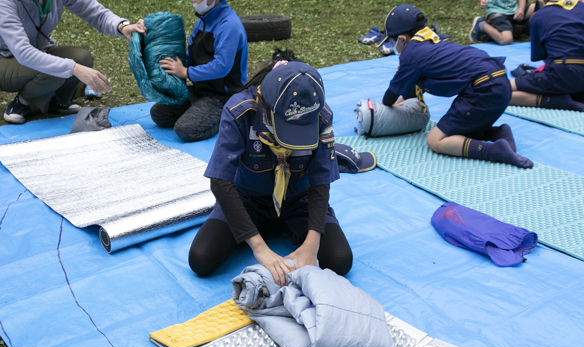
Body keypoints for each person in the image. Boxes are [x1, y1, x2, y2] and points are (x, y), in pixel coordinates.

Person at [188, 51, 353, 285]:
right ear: (263, 101)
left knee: (340, 260)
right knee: (201, 259)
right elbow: (221, 181)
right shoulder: (240, 111)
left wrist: (312, 243)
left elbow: (320, 179)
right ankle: (258, 231)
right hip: (248, 200)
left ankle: (287, 232)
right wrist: (259, 247)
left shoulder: (320, 115)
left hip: (298, 200)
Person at [381, 4, 533, 169]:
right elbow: (413, 90)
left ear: (402, 39)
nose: (392, 46)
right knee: (458, 132)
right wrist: (404, 99)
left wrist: (385, 109)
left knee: (435, 140)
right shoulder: (430, 41)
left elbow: (390, 97)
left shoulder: (411, 54)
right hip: (499, 83)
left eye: (392, 41)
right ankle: (496, 133)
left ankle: (494, 150)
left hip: (484, 89)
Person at [0, 0, 146, 124]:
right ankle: (23, 103)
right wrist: (73, 68)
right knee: (55, 69)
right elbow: (23, 52)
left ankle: (53, 99)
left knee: (82, 58)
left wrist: (122, 26)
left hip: (37, 52)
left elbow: (95, 12)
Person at [149, 0, 248, 142]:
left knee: (185, 130)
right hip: (199, 91)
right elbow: (190, 55)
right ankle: (200, 111)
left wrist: (185, 72)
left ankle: (228, 117)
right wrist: (169, 64)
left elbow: (221, 67)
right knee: (159, 115)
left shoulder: (229, 26)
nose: (193, 0)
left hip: (222, 96)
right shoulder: (203, 21)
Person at [509, 0, 584, 111]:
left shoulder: (537, 17)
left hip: (562, 72)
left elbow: (539, 56)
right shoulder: (581, 7)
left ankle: (556, 101)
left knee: (503, 88)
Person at [469, 0, 537, 45]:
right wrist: (482, 1)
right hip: (498, 12)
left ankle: (523, 30)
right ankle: (481, 24)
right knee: (506, 40)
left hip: (515, 8)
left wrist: (521, 9)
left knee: (540, 7)